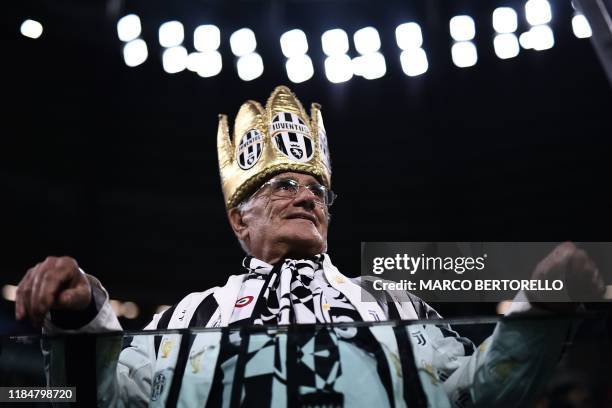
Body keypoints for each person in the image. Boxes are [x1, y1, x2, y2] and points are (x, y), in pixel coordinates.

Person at [14, 86, 605, 407]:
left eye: (317, 188)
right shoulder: (190, 317)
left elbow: (476, 393)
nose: (306, 197)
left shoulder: (393, 304)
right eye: (283, 185)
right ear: (237, 221)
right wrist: (81, 314)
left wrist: (543, 308)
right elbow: (104, 399)